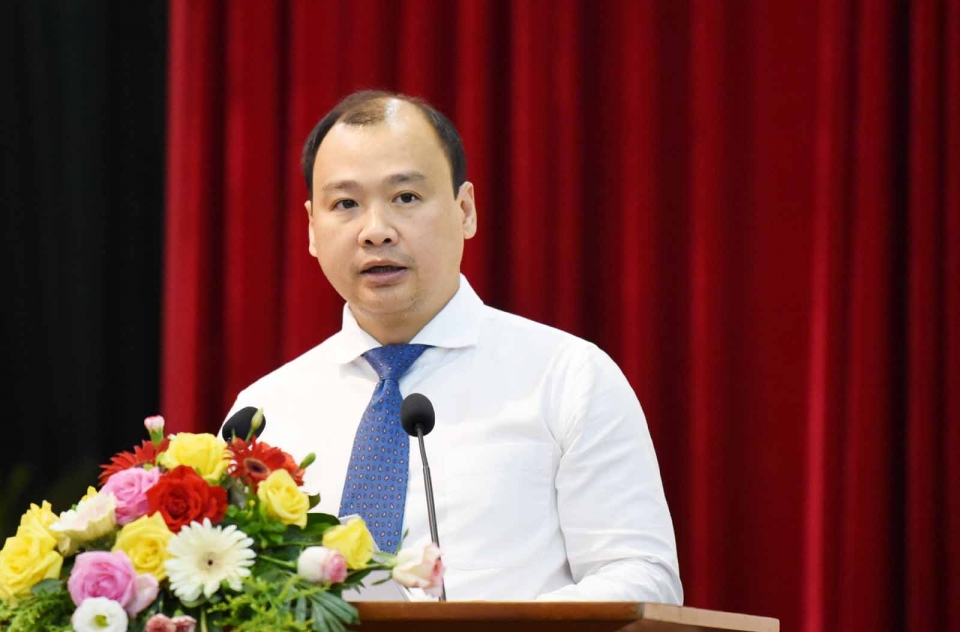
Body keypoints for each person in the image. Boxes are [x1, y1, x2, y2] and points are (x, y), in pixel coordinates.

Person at [226, 90, 682, 603]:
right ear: (312, 228)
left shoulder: (568, 377)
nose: (375, 231)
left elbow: (644, 580)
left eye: (405, 197)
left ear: (465, 210)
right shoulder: (263, 413)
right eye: (346, 204)